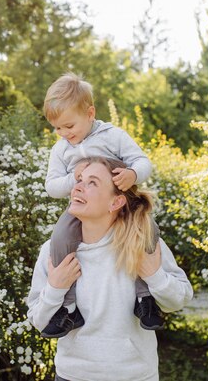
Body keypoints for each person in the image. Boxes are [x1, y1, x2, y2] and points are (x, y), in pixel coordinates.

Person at [27, 157, 193, 381]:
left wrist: (155, 277)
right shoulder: (54, 251)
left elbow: (179, 300)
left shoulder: (141, 244)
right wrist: (56, 288)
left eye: (92, 182)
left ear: (115, 202)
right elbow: (38, 321)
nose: (78, 187)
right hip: (72, 376)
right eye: (80, 180)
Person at [41, 73, 164, 337]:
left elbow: (143, 162)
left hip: (124, 204)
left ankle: (145, 300)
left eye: (69, 125)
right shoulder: (61, 150)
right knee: (60, 237)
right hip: (83, 208)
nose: (64, 134)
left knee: (148, 230)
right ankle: (69, 309)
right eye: (57, 128)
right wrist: (72, 178)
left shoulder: (113, 136)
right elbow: (51, 186)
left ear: (90, 113)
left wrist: (132, 174)